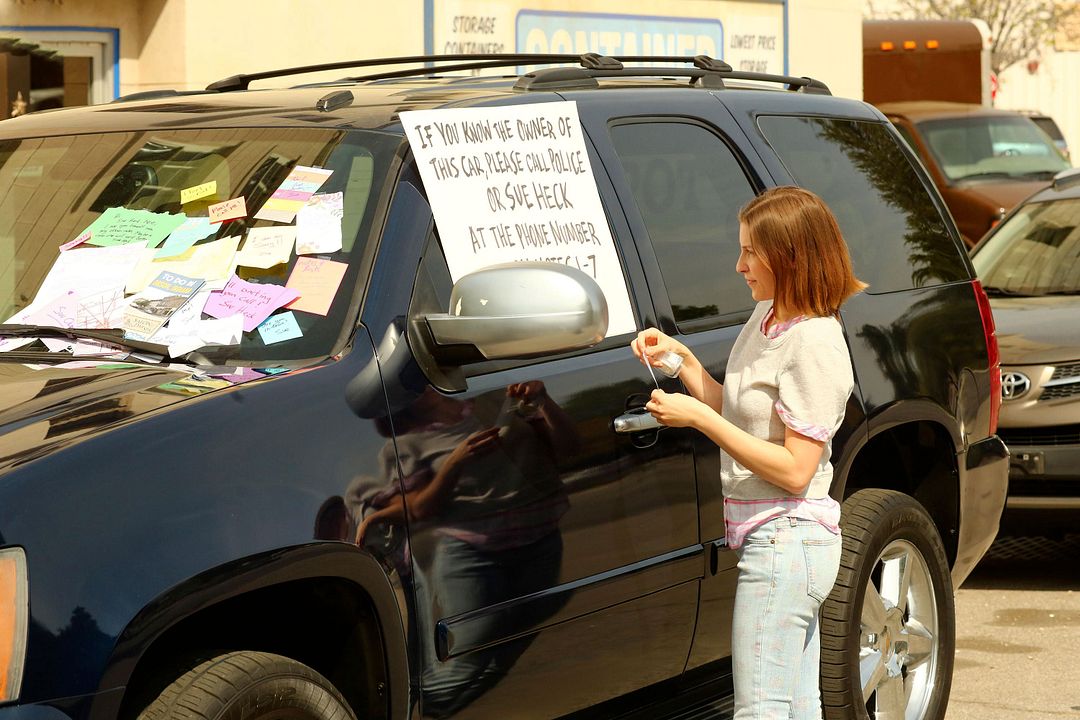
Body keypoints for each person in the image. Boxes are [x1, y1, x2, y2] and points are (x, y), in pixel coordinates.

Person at [632, 186, 867, 719]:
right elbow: (741, 412)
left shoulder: (815, 344)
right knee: (797, 709)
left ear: (789, 257)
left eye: (749, 252)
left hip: (788, 542)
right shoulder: (765, 319)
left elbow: (794, 469)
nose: (738, 266)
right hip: (777, 540)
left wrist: (700, 419)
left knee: (761, 710)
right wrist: (681, 361)